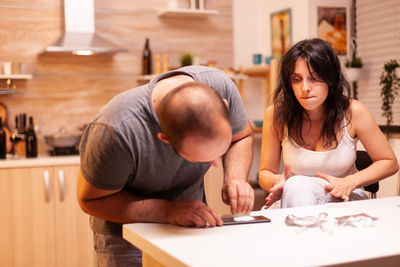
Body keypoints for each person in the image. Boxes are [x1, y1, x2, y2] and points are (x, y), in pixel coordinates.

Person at [77, 65, 255, 266]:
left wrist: (235, 178)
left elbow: (241, 137)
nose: (215, 164)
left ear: (225, 105)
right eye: (202, 159)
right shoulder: (115, 131)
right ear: (165, 139)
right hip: (125, 236)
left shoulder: (221, 87)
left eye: (220, 150)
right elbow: (90, 200)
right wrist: (166, 211)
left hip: (189, 225)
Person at [259, 38, 398, 209]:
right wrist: (278, 180)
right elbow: (265, 174)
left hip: (343, 200)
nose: (305, 88)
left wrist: (350, 181)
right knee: (296, 186)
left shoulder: (354, 112)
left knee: (296, 186)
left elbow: (389, 162)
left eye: (314, 78)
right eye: (296, 79)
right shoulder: (275, 114)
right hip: (295, 198)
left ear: (330, 79)